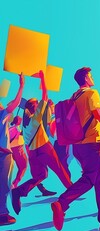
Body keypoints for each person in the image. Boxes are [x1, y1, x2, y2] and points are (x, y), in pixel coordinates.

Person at [51, 67, 100, 231]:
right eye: (91, 74)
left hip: (78, 146)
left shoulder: (74, 96)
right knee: (90, 179)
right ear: (86, 78)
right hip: (93, 143)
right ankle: (62, 202)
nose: (93, 77)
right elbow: (98, 115)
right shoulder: (91, 93)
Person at [12, 71, 72, 215]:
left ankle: (19, 191)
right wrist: (43, 79)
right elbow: (45, 96)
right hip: (45, 149)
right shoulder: (35, 117)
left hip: (33, 153)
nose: (39, 103)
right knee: (60, 170)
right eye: (36, 103)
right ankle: (72, 192)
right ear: (33, 107)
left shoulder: (25, 124)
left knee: (41, 176)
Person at [9, 115, 56, 196]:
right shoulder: (14, 129)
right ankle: (14, 185)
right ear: (18, 121)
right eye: (20, 120)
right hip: (19, 150)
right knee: (24, 168)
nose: (21, 121)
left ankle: (42, 190)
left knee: (35, 173)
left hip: (22, 150)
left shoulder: (17, 128)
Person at [0, 73, 24, 226]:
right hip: (3, 154)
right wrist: (21, 86)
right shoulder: (2, 113)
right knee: (4, 184)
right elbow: (14, 104)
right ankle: (2, 214)